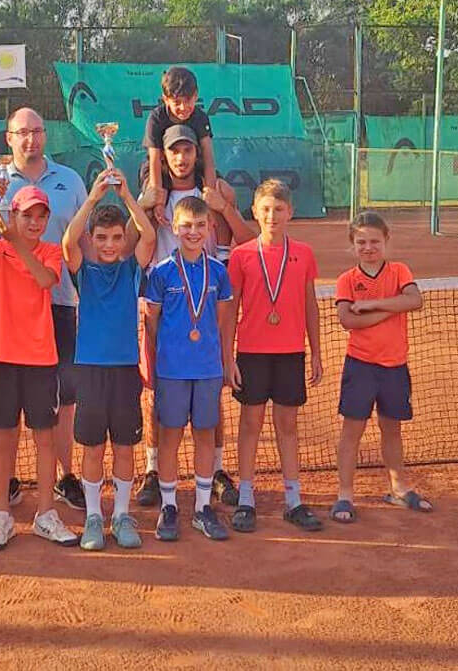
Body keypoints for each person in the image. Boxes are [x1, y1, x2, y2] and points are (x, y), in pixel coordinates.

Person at [0, 107, 88, 516]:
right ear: (9, 138)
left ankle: (66, 477)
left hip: (60, 306)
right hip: (10, 315)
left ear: (45, 135)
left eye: (37, 131)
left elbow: (82, 242)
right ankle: (9, 482)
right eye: (22, 132)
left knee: (63, 399)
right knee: (9, 410)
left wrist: (92, 296)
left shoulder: (70, 180)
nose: (30, 139)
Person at [136, 125, 255, 509]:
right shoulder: (153, 192)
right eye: (174, 151)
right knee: (155, 394)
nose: (182, 158)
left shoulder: (215, 190)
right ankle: (153, 470)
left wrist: (224, 206)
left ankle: (216, 471)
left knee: (211, 395)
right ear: (164, 155)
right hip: (163, 300)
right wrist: (142, 204)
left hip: (206, 298)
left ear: (197, 154)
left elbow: (247, 241)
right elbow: (133, 244)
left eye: (188, 150)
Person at [0, 185, 79, 551]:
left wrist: (17, 242)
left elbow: (44, 280)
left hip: (42, 359)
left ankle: (45, 514)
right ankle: (2, 515)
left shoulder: (50, 252)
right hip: (3, 358)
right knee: (2, 437)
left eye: (41, 216)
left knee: (45, 439)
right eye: (26, 215)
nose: (34, 222)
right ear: (13, 216)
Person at [62, 168, 155, 551]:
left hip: (124, 370)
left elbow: (148, 236)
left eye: (117, 237)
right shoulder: (83, 271)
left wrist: (128, 195)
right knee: (93, 447)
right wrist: (94, 198)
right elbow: (69, 240)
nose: (110, 244)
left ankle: (121, 514)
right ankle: (93, 517)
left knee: (124, 446)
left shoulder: (131, 269)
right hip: (89, 371)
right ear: (92, 239)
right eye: (101, 238)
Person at [226, 179, 323, 533]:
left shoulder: (304, 254)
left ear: (290, 212)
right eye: (266, 209)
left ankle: (293, 500)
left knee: (288, 426)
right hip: (251, 353)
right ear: (254, 212)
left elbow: (310, 305)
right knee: (250, 424)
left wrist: (316, 351)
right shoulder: (241, 255)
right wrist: (228, 357)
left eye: (279, 209)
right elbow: (230, 309)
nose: (272, 216)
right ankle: (246, 499)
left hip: (290, 353)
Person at [331, 212, 431, 523]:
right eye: (361, 242)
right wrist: (393, 307)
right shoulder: (347, 280)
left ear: (386, 240)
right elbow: (348, 320)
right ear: (352, 244)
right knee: (352, 431)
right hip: (360, 366)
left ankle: (398, 489)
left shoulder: (400, 271)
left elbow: (414, 300)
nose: (368, 248)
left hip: (394, 367)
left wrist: (373, 304)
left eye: (374, 241)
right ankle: (345, 495)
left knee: (392, 429)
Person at [144, 197, 233, 541]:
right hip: (172, 370)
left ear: (210, 227)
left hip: (208, 369)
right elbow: (152, 321)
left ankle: (202, 507)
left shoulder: (219, 272)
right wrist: (167, 353)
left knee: (205, 435)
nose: (193, 232)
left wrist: (216, 355)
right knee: (170, 436)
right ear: (174, 227)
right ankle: (169, 506)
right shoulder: (161, 272)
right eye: (186, 226)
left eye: (199, 225)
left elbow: (221, 321)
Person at [141, 67, 219, 227]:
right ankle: (150, 242)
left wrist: (210, 196)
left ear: (196, 95)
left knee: (223, 192)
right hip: (161, 169)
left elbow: (208, 157)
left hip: (193, 167)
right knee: (151, 204)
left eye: (188, 100)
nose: (183, 107)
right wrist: (158, 202)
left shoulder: (200, 117)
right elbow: (155, 160)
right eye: (177, 102)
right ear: (165, 99)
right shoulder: (156, 118)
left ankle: (222, 243)